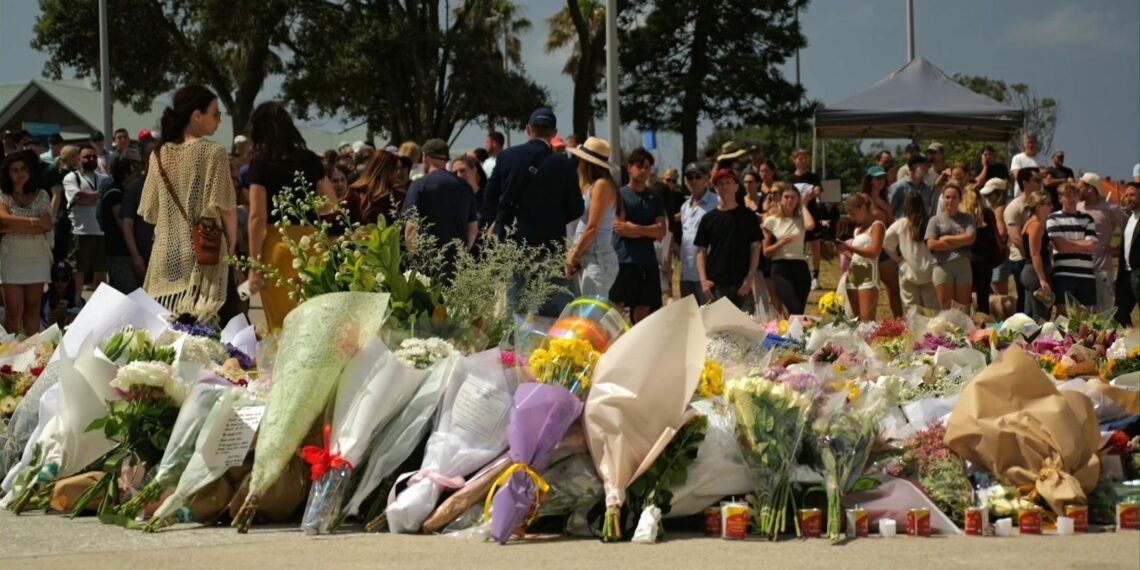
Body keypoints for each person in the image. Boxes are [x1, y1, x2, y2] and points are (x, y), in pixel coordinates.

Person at [140, 86, 238, 324]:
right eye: (215, 113)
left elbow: (150, 211)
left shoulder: (158, 154)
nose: (219, 120)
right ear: (197, 115)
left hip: (166, 255)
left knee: (167, 328)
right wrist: (232, 246)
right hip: (204, 252)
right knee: (211, 330)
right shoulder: (214, 152)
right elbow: (226, 207)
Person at [479, 107, 584, 316]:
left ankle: (512, 347)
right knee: (554, 309)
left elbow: (489, 199)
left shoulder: (507, 157)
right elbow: (576, 208)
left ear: (528, 129)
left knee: (515, 308)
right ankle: (549, 349)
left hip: (514, 243)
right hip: (549, 246)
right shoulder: (563, 164)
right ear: (554, 133)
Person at [245, 101, 333, 329]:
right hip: (313, 245)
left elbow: (257, 217)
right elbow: (330, 205)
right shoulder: (311, 159)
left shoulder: (260, 164)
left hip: (278, 247)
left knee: (281, 325)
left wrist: (254, 267)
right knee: (313, 321)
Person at [402, 138, 477, 275]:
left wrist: (414, 257)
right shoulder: (465, 187)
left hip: (428, 261)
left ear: (425, 157)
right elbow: (472, 227)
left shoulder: (419, 185)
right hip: (456, 262)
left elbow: (411, 226)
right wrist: (463, 251)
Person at [609, 148, 666, 323]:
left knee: (644, 310)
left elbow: (661, 231)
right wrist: (648, 230)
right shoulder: (620, 194)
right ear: (630, 167)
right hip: (624, 261)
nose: (643, 170)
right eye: (639, 166)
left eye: (647, 167)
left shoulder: (654, 198)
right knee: (617, 309)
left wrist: (637, 228)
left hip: (647, 262)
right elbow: (621, 227)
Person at [0, 153, 53, 334]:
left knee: (33, 308)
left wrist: (14, 225)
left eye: (23, 169)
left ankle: (32, 354)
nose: (19, 173)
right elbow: (4, 219)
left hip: (37, 257)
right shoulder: (2, 195)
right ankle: (10, 356)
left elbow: (47, 225)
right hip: (11, 257)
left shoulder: (42, 195)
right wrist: (35, 222)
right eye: (14, 170)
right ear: (7, 173)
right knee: (13, 311)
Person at [694, 168, 761, 311]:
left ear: (736, 187)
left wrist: (750, 278)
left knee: (746, 328)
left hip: (742, 284)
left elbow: (755, 248)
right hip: (716, 285)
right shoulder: (708, 219)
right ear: (716, 189)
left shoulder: (748, 216)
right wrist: (703, 281)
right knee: (718, 330)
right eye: (720, 184)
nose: (725, 187)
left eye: (728, 183)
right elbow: (701, 252)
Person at [566, 137, 621, 297]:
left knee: (593, 315)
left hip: (597, 257)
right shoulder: (596, 185)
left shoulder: (601, 185)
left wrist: (573, 255)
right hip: (592, 256)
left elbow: (592, 228)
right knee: (589, 314)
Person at [64, 144, 111, 292]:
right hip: (80, 231)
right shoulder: (71, 177)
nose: (91, 159)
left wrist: (89, 197)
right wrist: (100, 195)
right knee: (78, 269)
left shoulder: (105, 178)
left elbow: (103, 199)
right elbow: (78, 197)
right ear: (79, 158)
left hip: (101, 231)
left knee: (102, 268)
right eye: (87, 156)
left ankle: (99, 301)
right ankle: (77, 301)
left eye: (93, 156)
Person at [762, 182, 815, 315]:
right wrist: (780, 243)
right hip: (781, 268)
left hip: (800, 267)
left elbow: (810, 226)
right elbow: (766, 251)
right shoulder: (771, 220)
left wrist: (803, 205)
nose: (789, 200)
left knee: (799, 312)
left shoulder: (801, 219)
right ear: (780, 199)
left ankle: (794, 336)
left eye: (793, 197)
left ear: (798, 199)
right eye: (786, 197)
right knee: (794, 308)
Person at [1046, 182, 1098, 315]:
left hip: (1086, 273)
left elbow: (1092, 246)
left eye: (1075, 195)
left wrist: (1068, 243)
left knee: (1085, 315)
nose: (1072, 199)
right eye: (1068, 196)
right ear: (1060, 198)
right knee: (1062, 312)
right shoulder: (1053, 218)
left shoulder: (1088, 219)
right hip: (1063, 273)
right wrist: (1082, 244)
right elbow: (1061, 246)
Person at [1076, 172, 1125, 312]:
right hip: (1079, 269)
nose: (1077, 191)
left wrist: (1118, 250)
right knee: (1082, 313)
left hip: (1101, 270)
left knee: (1103, 313)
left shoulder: (1110, 209)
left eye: (1081, 188)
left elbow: (1130, 231)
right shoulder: (1077, 207)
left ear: (1090, 189)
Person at [885, 192, 939, 312]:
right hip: (930, 271)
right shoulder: (931, 222)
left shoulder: (900, 224)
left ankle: (913, 330)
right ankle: (934, 330)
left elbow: (886, 242)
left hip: (908, 271)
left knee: (910, 309)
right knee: (933, 309)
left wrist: (897, 259)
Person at [925, 183, 976, 310]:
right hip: (942, 266)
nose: (950, 201)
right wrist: (960, 242)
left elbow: (970, 238)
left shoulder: (967, 218)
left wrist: (947, 238)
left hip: (963, 266)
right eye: (947, 197)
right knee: (946, 309)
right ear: (943, 198)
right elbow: (932, 244)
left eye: (954, 197)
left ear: (960, 199)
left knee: (962, 309)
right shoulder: (935, 220)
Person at [101, 148, 144, 293]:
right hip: (120, 254)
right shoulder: (115, 195)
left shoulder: (123, 194)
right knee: (127, 294)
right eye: (133, 172)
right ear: (126, 175)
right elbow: (123, 224)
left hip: (125, 253)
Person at [861, 165, 903, 317]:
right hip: (868, 246)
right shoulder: (864, 199)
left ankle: (899, 322)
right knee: (867, 290)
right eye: (877, 178)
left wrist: (888, 209)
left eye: (882, 178)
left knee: (894, 288)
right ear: (870, 180)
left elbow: (891, 225)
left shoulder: (885, 199)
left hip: (884, 247)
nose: (881, 181)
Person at [837, 193, 885, 321]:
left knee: (866, 320)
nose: (850, 217)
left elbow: (874, 252)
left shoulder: (877, 226)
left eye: (853, 213)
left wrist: (848, 247)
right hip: (853, 272)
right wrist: (842, 250)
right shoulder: (857, 230)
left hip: (868, 273)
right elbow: (857, 254)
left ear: (862, 208)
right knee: (855, 319)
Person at [787, 148, 827, 290]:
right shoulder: (790, 179)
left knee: (816, 246)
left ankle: (815, 276)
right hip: (796, 217)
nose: (803, 160)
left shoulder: (812, 177)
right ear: (794, 160)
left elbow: (818, 190)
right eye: (800, 158)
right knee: (798, 247)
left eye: (805, 158)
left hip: (811, 215)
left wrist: (810, 195)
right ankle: (799, 274)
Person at [1003, 169, 1042, 313]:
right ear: (1025, 183)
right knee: (1025, 300)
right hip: (1022, 259)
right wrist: (1032, 255)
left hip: (1035, 258)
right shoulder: (1014, 207)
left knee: (1037, 301)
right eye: (1037, 180)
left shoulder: (1038, 206)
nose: (1041, 183)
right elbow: (1015, 238)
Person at [679, 162, 718, 304]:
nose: (693, 180)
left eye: (697, 176)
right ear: (685, 180)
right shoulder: (684, 207)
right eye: (690, 177)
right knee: (690, 320)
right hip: (686, 273)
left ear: (707, 179)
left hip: (707, 275)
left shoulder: (716, 202)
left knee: (710, 320)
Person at [961, 183, 1001, 315]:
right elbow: (995, 235)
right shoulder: (988, 213)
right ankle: (984, 321)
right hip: (985, 258)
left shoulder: (961, 216)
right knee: (983, 295)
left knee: (965, 296)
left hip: (966, 257)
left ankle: (967, 322)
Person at [120, 145, 156, 290]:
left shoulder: (174, 187)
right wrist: (136, 257)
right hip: (145, 258)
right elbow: (127, 224)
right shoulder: (136, 188)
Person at [1019, 192, 1055, 321]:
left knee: (1029, 316)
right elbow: (1035, 253)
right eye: (1048, 204)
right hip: (1035, 273)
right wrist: (1042, 279)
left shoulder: (1030, 223)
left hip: (1030, 271)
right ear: (1039, 207)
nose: (1051, 207)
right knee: (1040, 316)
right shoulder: (1035, 225)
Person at [345, 151, 406, 226]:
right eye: (395, 169)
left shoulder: (355, 191)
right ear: (387, 171)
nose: (398, 173)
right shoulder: (397, 197)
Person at [980, 178, 1011, 296]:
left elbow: (1002, 234)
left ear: (999, 193)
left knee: (999, 290)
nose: (987, 197)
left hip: (999, 254)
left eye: (990, 194)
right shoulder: (1001, 208)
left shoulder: (998, 210)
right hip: (1000, 254)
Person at [1115, 182, 1139, 327]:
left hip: (1138, 272)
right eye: (1126, 195)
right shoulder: (1128, 218)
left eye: (1133, 195)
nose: (1128, 198)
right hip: (1126, 275)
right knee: (1120, 314)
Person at [889, 153, 935, 220]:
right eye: (924, 166)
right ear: (913, 168)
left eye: (928, 166)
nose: (927, 169)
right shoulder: (898, 187)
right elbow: (889, 210)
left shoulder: (927, 188)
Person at [42, 261, 83, 329]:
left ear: (70, 279)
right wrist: (51, 318)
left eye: (64, 278)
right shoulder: (44, 301)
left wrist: (71, 317)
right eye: (56, 278)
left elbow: (86, 320)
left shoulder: (77, 300)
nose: (59, 282)